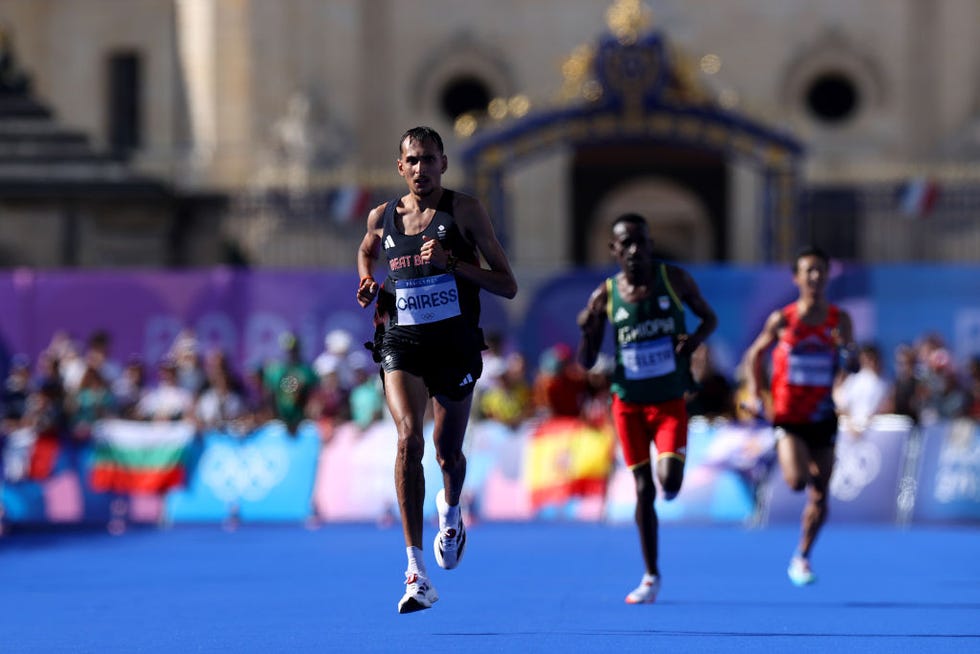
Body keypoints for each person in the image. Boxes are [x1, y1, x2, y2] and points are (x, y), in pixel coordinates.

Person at [355, 126, 517, 613]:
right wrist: (366, 281)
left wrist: (454, 265)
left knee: (448, 454)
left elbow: (506, 284)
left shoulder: (464, 211)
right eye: (412, 161)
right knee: (409, 439)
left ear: (443, 163)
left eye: (429, 160)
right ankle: (415, 571)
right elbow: (366, 251)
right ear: (399, 167)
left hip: (455, 345)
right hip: (401, 342)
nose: (421, 169)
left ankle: (451, 509)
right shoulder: (382, 217)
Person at [576, 212, 718, 605]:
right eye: (627, 244)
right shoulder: (605, 295)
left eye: (642, 242)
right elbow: (586, 361)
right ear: (614, 250)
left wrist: (689, 345)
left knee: (669, 482)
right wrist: (588, 328)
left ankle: (670, 482)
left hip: (670, 401)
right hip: (628, 404)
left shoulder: (674, 280)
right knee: (643, 488)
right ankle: (651, 574)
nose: (636, 250)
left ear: (651, 245)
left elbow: (709, 318)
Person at [742, 245, 856, 587]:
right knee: (796, 482)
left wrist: (844, 360)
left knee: (821, 494)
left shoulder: (840, 319)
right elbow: (754, 355)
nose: (815, 277)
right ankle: (785, 453)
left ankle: (802, 557)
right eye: (809, 271)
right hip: (789, 416)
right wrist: (754, 393)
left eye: (821, 270)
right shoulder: (783, 319)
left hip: (823, 415)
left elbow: (848, 363)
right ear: (797, 278)